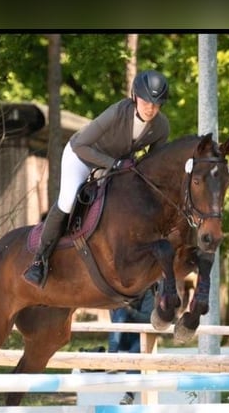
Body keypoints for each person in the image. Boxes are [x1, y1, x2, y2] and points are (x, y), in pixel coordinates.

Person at [23, 69, 171, 288]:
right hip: (82, 157)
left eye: (156, 103)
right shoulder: (116, 113)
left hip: (117, 166)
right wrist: (114, 164)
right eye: (146, 101)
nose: (150, 107)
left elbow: (153, 164)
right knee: (67, 202)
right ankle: (39, 260)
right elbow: (82, 145)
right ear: (134, 97)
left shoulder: (161, 126)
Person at [107, 287, 155, 405]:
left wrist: (130, 311)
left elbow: (147, 319)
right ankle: (112, 357)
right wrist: (123, 309)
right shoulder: (117, 293)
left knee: (135, 351)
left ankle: (129, 395)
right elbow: (114, 321)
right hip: (121, 337)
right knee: (121, 311)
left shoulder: (146, 292)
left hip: (138, 337)